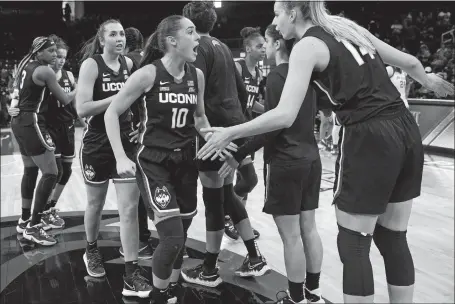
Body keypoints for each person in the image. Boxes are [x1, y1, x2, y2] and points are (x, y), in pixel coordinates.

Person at [196, 1, 454, 303]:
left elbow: (284, 115)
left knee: (353, 243)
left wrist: (232, 132)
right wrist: (429, 81)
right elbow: (409, 62)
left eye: (278, 14)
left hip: (369, 132)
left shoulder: (308, 46)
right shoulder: (349, 28)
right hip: (405, 126)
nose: (276, 22)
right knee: (393, 237)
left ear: (293, 13)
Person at [104, 14, 229, 303]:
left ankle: (170, 287)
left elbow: (198, 116)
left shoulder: (196, 75)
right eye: (191, 32)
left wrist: (213, 137)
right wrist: (121, 156)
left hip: (186, 161)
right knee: (171, 237)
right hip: (154, 163)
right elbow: (112, 112)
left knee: (180, 236)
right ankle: (159, 296)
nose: (198, 38)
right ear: (172, 41)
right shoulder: (148, 74)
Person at [219, 24, 325, 304]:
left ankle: (295, 299)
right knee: (309, 229)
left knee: (291, 237)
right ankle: (313, 293)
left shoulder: (278, 77)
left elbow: (274, 128)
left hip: (287, 161)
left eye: (267, 41)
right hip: (312, 159)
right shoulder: (309, 76)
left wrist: (240, 152)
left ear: (278, 44)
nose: (265, 47)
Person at [181, 1, 270, 288]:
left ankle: (208, 269)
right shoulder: (222, 47)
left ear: (188, 23)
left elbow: (194, 96)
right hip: (233, 125)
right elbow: (243, 93)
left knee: (213, 200)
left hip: (213, 131)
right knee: (227, 194)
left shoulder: (198, 50)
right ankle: (255, 256)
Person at [76, 20, 146, 298]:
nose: (119, 38)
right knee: (95, 203)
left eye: (121, 34)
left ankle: (131, 272)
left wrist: (141, 119)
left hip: (126, 142)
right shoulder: (92, 65)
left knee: (128, 209)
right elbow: (82, 107)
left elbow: (139, 99)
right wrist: (119, 97)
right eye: (113, 34)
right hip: (96, 144)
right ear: (102, 39)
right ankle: (90, 249)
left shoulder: (129, 65)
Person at [12, 36, 75, 246]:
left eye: (57, 52)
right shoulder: (45, 70)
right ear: (39, 52)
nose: (55, 55)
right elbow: (65, 99)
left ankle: (24, 220)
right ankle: (35, 226)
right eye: (51, 51)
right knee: (51, 172)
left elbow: (17, 93)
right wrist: (80, 87)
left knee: (30, 171)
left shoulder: (24, 63)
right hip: (32, 121)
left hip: (18, 121)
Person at [226, 26, 267, 240]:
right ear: (248, 48)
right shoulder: (237, 67)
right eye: (260, 46)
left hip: (249, 129)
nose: (264, 49)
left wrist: (271, 109)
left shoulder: (258, 72)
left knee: (245, 181)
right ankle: (229, 216)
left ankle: (238, 221)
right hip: (235, 130)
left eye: (265, 46)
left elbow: (252, 104)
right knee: (247, 179)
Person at [117, 26, 154, 260]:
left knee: (134, 188)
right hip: (155, 130)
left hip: (134, 131)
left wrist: (138, 123)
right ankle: (149, 236)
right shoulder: (151, 59)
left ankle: (140, 239)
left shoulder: (126, 62)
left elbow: (129, 98)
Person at [39, 35, 78, 230]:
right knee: (56, 171)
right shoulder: (46, 75)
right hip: (50, 128)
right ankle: (43, 211)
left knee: (67, 171)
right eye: (58, 56)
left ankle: (50, 206)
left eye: (64, 56)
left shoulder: (69, 76)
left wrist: (83, 116)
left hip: (68, 127)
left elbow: (73, 103)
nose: (61, 59)